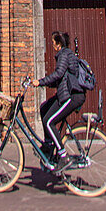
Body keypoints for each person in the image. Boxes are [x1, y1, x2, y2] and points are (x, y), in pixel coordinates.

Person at [36, 31, 85, 170]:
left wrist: (40, 82)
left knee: (49, 121)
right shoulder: (65, 54)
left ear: (58, 44)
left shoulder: (64, 55)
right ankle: (48, 144)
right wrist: (45, 83)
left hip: (72, 96)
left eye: (53, 43)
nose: (52, 45)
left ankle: (63, 156)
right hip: (65, 94)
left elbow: (58, 74)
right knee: (44, 108)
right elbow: (61, 79)